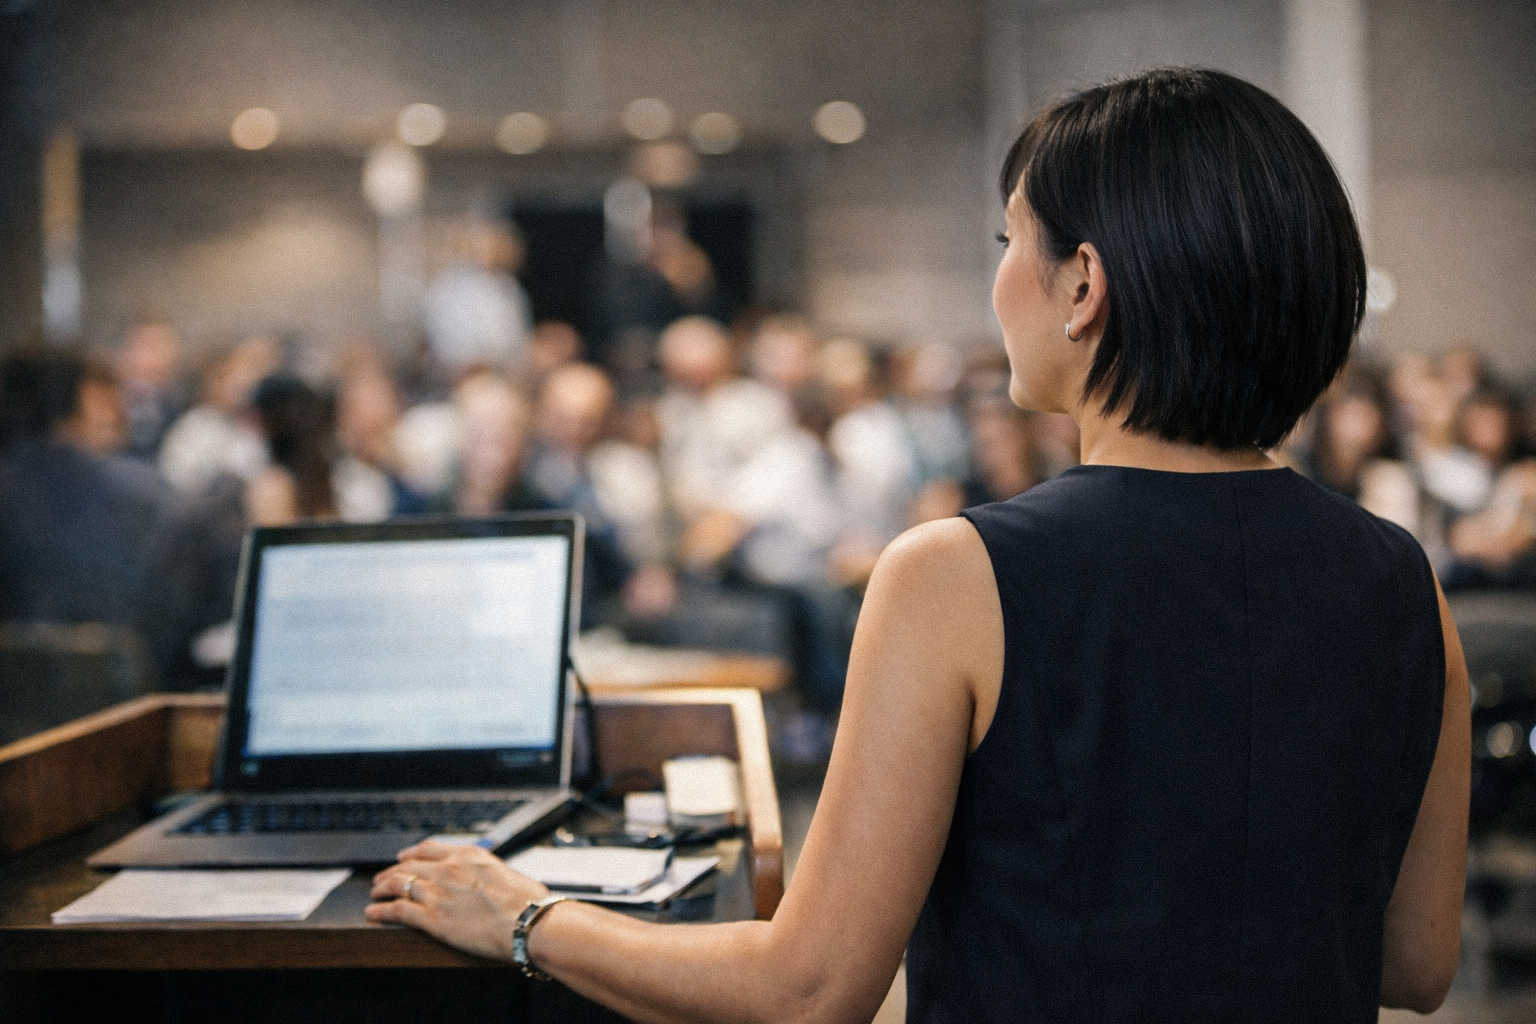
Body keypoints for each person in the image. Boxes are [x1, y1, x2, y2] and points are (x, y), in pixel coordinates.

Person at [365, 69, 1468, 1022]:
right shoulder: (1402, 582)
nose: (998, 282)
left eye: (1009, 243)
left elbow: (809, 988)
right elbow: (1417, 965)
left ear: (1084, 286)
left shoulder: (961, 573)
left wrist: (525, 914)